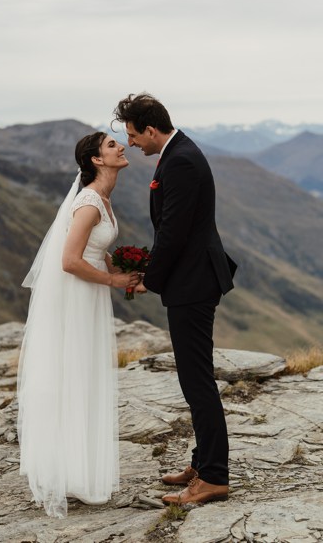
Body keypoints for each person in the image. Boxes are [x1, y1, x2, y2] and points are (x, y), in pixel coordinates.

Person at [117, 93, 237, 506]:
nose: (131, 142)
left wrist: (152, 277)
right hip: (192, 279)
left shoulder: (181, 160)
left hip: (193, 282)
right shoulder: (178, 153)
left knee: (197, 381)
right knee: (194, 378)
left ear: (151, 129)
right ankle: (203, 463)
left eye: (133, 135)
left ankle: (214, 478)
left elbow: (174, 230)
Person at [16, 132, 138, 518]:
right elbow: (69, 261)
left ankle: (76, 472)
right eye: (111, 146)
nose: (121, 147)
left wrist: (130, 272)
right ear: (96, 160)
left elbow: (94, 253)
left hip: (89, 294)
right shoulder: (88, 203)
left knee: (82, 376)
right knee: (74, 374)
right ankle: (67, 473)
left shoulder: (102, 198)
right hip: (78, 296)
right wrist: (114, 281)